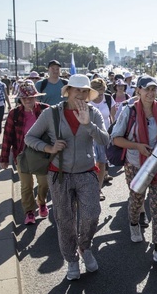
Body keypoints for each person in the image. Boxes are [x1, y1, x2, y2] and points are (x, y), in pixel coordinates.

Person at [25, 74, 110, 281]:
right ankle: (71, 260)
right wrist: (49, 147)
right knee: (64, 220)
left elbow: (105, 140)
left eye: (84, 91)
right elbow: (29, 137)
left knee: (92, 214)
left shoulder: (93, 112)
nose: (80, 94)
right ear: (68, 91)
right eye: (76, 90)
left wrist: (88, 124)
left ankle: (85, 247)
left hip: (87, 173)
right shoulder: (51, 114)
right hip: (59, 174)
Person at [111, 76, 157, 267]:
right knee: (136, 200)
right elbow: (116, 139)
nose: (151, 93)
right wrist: (137, 146)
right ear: (138, 91)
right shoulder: (129, 111)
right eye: (147, 89)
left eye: (154, 89)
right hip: (135, 165)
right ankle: (134, 224)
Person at [0, 81, 49, 225]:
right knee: (26, 185)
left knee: (44, 183)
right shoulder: (14, 114)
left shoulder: (46, 110)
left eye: (31, 97)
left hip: (42, 154)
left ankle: (42, 202)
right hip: (22, 154)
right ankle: (29, 212)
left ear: (36, 97)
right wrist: (4, 158)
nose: (28, 100)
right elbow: (7, 137)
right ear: (20, 99)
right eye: (24, 98)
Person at [88, 78, 113, 201]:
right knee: (90, 163)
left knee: (102, 162)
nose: (100, 95)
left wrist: (113, 134)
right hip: (88, 136)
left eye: (102, 92)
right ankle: (88, 189)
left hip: (103, 135)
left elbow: (112, 117)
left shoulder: (108, 99)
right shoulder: (86, 99)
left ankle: (98, 189)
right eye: (98, 92)